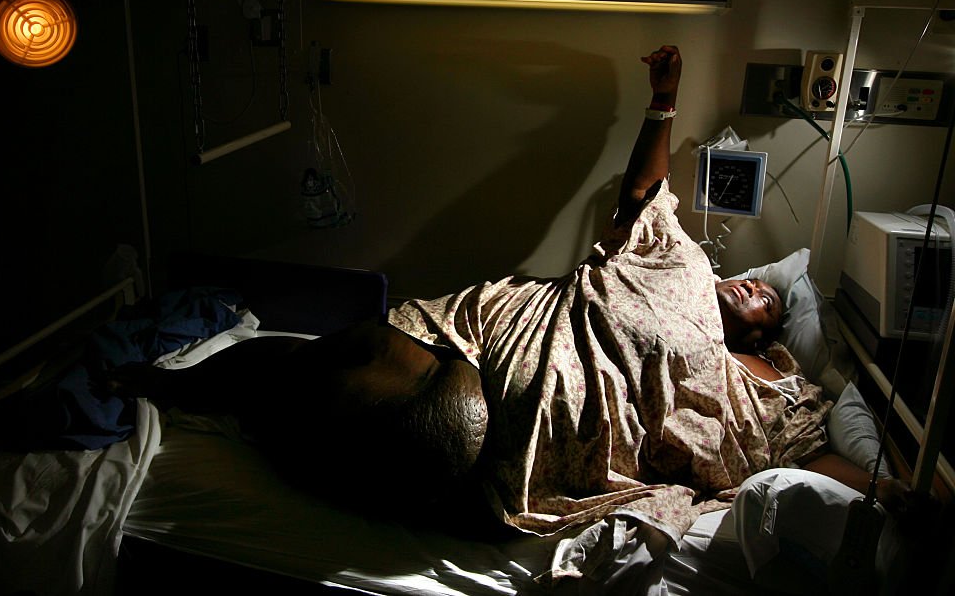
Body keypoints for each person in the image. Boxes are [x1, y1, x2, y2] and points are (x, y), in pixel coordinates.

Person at [110, 45, 917, 543]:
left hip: (528, 430)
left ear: (763, 339)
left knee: (442, 431)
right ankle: (197, 388)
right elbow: (641, 190)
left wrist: (909, 497)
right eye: (750, 282)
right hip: (493, 342)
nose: (750, 285)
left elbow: (838, 468)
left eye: (765, 300)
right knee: (391, 387)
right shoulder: (679, 262)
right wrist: (664, 100)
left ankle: (242, 409)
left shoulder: (772, 404)